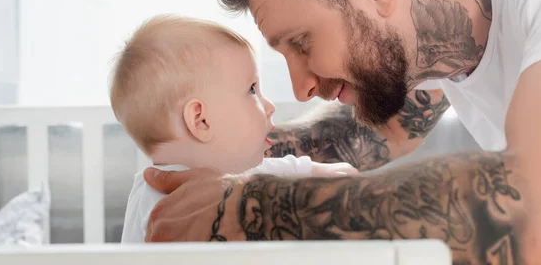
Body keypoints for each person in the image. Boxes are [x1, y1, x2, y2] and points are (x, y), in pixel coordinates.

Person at [142, 0, 541, 263]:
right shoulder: (436, 7)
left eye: (302, 42)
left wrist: (255, 210)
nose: (300, 88)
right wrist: (209, 154)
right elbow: (384, 131)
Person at [108, 15, 357, 242]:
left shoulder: (241, 173)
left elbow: (308, 171)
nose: (269, 106)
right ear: (201, 120)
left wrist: (331, 174)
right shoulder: (157, 204)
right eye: (251, 90)